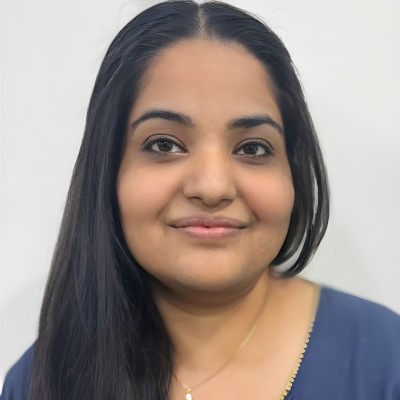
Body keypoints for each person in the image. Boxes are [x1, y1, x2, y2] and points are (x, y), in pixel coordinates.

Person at [1, 1, 400, 399]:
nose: (212, 187)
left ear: (293, 172)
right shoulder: (40, 383)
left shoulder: (385, 360)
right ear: (107, 171)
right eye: (164, 144)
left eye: (253, 148)